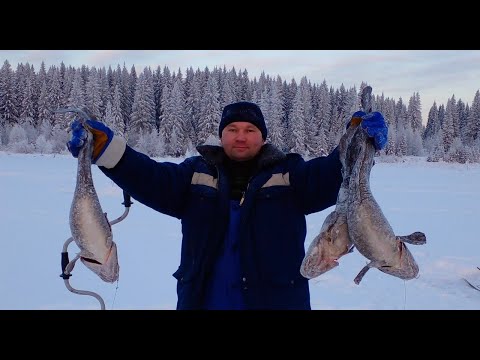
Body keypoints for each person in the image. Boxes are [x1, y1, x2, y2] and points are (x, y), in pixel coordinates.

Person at [67, 101, 388, 310]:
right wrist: (107, 150)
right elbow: (149, 177)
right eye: (232, 130)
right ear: (221, 136)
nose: (241, 136)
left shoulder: (292, 176)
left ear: (262, 137)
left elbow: (332, 175)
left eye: (250, 130)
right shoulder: (194, 175)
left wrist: (357, 143)